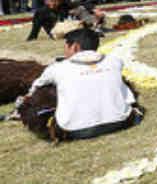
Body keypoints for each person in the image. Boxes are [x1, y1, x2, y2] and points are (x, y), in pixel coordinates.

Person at [13, 27, 141, 141]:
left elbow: (36, 87)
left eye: (65, 47)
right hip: (121, 121)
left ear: (75, 47)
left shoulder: (57, 68)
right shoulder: (115, 61)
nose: (65, 52)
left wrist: (24, 101)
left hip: (76, 130)